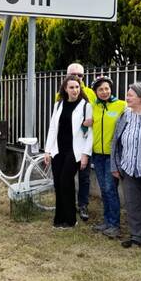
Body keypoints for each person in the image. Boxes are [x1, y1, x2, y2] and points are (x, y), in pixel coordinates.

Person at [111, 82, 141, 255]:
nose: (127, 97)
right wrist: (115, 165)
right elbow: (115, 142)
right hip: (128, 168)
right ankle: (137, 236)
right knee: (133, 204)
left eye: (130, 95)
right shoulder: (125, 114)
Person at [44, 75, 93, 228]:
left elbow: (90, 133)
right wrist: (48, 150)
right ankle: (59, 219)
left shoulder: (86, 106)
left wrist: (85, 155)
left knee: (66, 181)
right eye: (71, 87)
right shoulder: (58, 105)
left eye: (77, 87)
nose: (75, 90)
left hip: (75, 151)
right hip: (58, 150)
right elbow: (53, 128)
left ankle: (71, 220)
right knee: (58, 183)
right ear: (65, 89)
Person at [90, 76, 126, 238]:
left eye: (106, 88)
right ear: (95, 92)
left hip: (113, 155)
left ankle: (114, 225)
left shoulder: (121, 106)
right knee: (104, 189)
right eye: (100, 90)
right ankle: (107, 221)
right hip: (97, 154)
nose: (104, 92)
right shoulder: (92, 107)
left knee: (111, 189)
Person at [64, 63, 95, 222]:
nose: (78, 78)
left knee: (84, 177)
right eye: (74, 75)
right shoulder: (61, 93)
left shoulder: (91, 93)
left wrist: (92, 121)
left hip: (84, 142)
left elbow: (97, 114)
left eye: (80, 75)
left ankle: (83, 205)